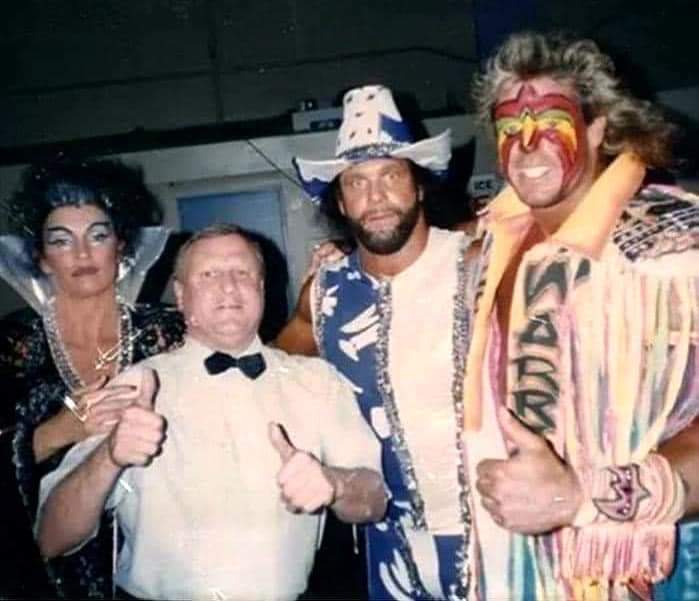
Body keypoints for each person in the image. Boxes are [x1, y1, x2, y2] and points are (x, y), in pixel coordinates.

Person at [461, 31, 699, 600]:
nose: (528, 145)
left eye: (551, 122)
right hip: (526, 568)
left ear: (598, 127)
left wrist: (578, 496)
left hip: (658, 568)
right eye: (511, 129)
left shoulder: (675, 242)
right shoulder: (490, 246)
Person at [36, 224, 386, 601]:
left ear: (262, 289)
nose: (229, 286)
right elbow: (51, 538)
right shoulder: (135, 385)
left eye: (242, 273)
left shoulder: (318, 381)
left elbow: (374, 500)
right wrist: (108, 457)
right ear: (182, 296)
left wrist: (333, 483)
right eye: (209, 275)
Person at [279, 84, 478, 600]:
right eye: (357, 183)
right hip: (389, 545)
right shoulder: (324, 292)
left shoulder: (479, 262)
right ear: (341, 201)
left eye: (391, 175)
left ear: (418, 186)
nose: (376, 197)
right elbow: (276, 374)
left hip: (496, 533)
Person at [0, 159, 185, 599]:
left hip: (161, 558)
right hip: (45, 571)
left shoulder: (167, 330)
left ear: (121, 245)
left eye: (98, 236)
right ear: (42, 258)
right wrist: (59, 432)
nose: (82, 254)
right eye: (62, 241)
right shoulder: (11, 344)